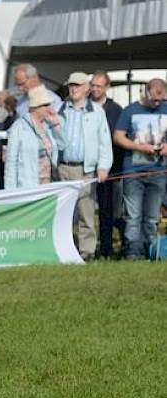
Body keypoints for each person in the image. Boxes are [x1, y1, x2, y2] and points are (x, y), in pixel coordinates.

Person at [56, 72, 113, 260]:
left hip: (85, 169)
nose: (73, 89)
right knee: (63, 213)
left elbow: (105, 142)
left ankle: (86, 252)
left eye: (78, 85)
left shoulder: (97, 112)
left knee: (86, 213)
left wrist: (103, 167)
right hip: (62, 167)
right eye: (71, 85)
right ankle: (65, 249)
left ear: (87, 89)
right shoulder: (60, 109)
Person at [112, 79, 167, 260]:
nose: (157, 103)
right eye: (154, 100)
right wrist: (139, 147)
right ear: (146, 92)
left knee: (152, 216)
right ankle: (133, 252)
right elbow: (118, 137)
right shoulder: (130, 110)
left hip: (159, 172)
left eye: (161, 100)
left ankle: (150, 249)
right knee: (133, 215)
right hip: (134, 171)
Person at [4, 86, 67, 189]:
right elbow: (11, 161)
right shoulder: (18, 127)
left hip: (49, 183)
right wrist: (10, 191)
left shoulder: (48, 124)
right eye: (45, 105)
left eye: (49, 104)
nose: (49, 108)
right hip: (28, 184)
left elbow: (62, 145)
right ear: (36, 107)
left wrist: (56, 125)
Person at [90, 70, 125, 259]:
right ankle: (94, 247)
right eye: (93, 85)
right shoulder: (84, 107)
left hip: (111, 169)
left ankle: (108, 248)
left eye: (99, 86)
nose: (95, 89)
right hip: (87, 167)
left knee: (109, 211)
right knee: (88, 211)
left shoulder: (115, 110)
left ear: (106, 88)